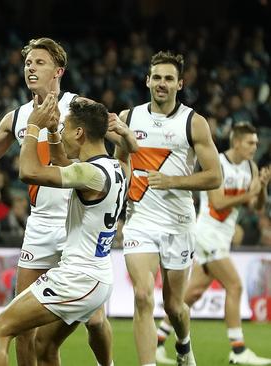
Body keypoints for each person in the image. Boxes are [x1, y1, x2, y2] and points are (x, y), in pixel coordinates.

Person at [0, 37, 136, 366]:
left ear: (58, 71)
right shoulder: (16, 118)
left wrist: (127, 136)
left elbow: (119, 146)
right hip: (42, 224)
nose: (31, 68)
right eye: (27, 63)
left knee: (94, 319)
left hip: (77, 223)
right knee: (23, 329)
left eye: (40, 62)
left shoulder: (79, 110)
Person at [0, 96, 130, 366]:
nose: (61, 133)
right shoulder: (117, 168)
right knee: (46, 346)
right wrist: (52, 130)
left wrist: (33, 127)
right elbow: (63, 161)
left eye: (64, 128)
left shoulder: (90, 174)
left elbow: (28, 172)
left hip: (77, 279)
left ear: (79, 133)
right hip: (97, 277)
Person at [120, 51, 222, 366]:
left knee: (174, 306)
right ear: (147, 80)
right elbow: (120, 159)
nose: (161, 84)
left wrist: (173, 180)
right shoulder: (128, 118)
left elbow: (215, 176)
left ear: (180, 83)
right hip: (140, 222)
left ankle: (183, 345)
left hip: (178, 224)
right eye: (157, 78)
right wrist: (127, 189)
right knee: (141, 296)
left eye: (168, 79)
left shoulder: (194, 123)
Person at [156, 122, 271, 365]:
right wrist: (250, 193)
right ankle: (238, 351)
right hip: (208, 234)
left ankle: (157, 341)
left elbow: (257, 207)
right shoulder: (218, 163)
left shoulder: (250, 167)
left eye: (256, 144)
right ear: (237, 142)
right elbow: (217, 203)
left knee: (192, 293)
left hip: (222, 237)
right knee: (235, 286)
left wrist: (261, 188)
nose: (255, 147)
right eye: (251, 143)